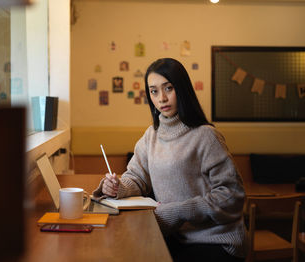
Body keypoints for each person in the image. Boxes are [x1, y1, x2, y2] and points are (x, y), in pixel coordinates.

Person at [93, 58, 247, 262]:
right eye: (154, 91)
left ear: (182, 89)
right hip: (175, 237)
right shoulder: (152, 135)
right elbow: (137, 176)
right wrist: (117, 187)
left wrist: (179, 211)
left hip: (216, 241)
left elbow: (231, 196)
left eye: (169, 88)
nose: (162, 98)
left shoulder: (206, 136)